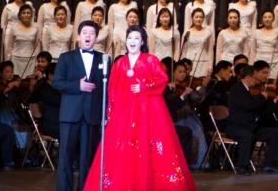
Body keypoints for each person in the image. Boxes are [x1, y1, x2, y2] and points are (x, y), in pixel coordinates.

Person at [82, 25, 195, 189]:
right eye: (129, 38)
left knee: (151, 148)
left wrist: (144, 86)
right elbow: (112, 89)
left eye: (136, 38)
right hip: (123, 112)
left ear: (142, 41)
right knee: (122, 150)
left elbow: (162, 79)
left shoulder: (150, 60)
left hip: (147, 112)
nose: (132, 41)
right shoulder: (119, 63)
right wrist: (110, 112)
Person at [53, 20, 108, 191]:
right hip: (70, 115)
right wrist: (78, 86)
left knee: (87, 159)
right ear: (78, 36)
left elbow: (107, 88)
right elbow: (57, 83)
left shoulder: (104, 59)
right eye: (85, 33)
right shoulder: (66, 57)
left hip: (92, 115)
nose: (88, 36)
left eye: (92, 33)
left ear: (96, 37)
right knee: (65, 158)